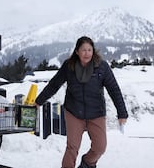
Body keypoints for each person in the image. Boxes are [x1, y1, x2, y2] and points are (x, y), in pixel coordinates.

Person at [35, 36, 128, 168]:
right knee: (72, 147)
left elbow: (114, 89)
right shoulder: (69, 66)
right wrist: (39, 101)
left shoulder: (102, 67)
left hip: (96, 112)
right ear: (77, 51)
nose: (87, 53)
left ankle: (87, 163)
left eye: (89, 50)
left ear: (93, 51)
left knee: (100, 147)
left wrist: (122, 113)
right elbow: (54, 84)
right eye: (83, 50)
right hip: (74, 111)